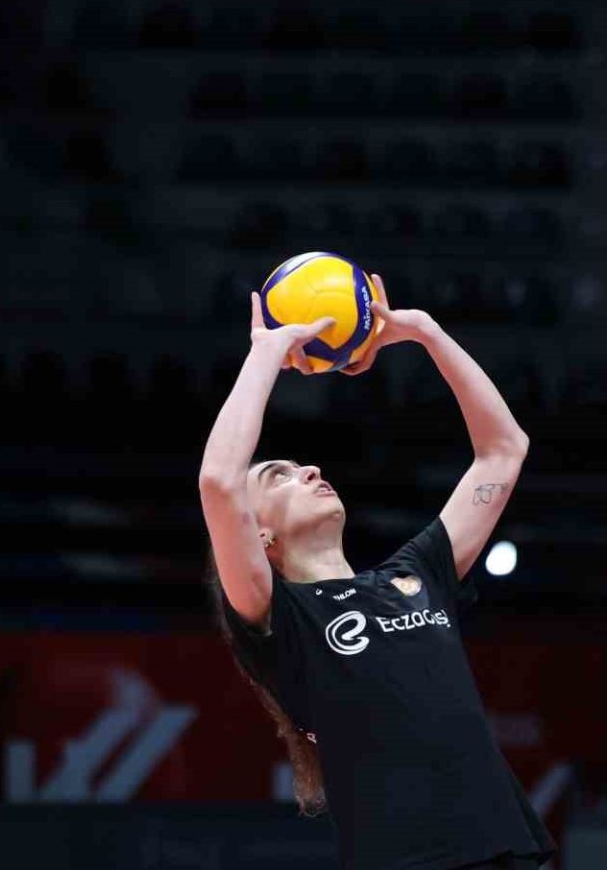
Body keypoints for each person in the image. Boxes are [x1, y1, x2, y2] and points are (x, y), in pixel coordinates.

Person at [197, 275, 553, 870]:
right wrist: (266, 354)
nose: (310, 470)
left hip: (506, 849)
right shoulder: (279, 617)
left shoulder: (417, 573)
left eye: (302, 465)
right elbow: (218, 481)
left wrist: (427, 334)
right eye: (279, 476)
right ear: (259, 536)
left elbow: (504, 449)